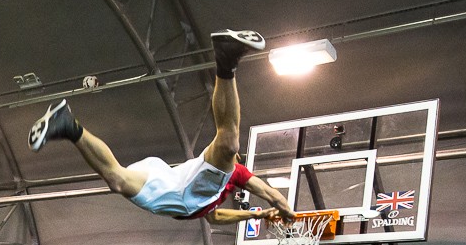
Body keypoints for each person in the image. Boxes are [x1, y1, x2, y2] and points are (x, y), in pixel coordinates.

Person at [28, 29, 296, 225]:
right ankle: (226, 60)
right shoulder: (237, 173)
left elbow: (214, 218)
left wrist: (257, 215)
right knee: (229, 143)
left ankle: (68, 125)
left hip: (167, 187)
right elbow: (268, 191)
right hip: (182, 185)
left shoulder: (215, 199)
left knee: (117, 181)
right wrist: (286, 211)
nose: (233, 161)